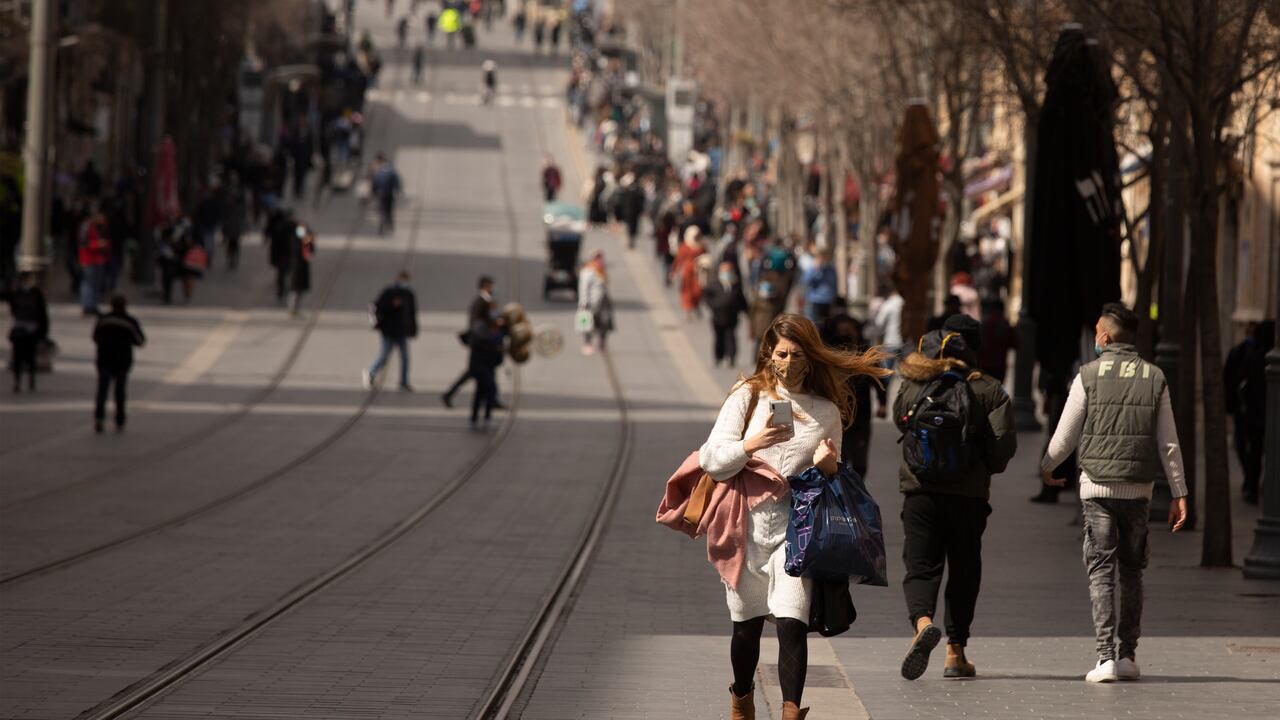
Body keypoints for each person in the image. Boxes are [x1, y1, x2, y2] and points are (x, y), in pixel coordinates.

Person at [700, 314, 889, 720]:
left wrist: (829, 466)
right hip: (745, 529)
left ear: (810, 357)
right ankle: (742, 699)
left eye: (797, 354)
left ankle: (790, 713)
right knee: (746, 627)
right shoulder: (747, 396)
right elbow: (712, 460)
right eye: (781, 353)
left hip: (797, 532)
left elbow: (833, 478)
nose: (788, 361)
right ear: (769, 353)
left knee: (791, 621)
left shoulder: (825, 412)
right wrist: (753, 443)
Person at [1038, 302, 1189, 683]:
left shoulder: (1087, 375)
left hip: (1098, 487)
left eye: (1096, 332)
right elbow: (1168, 442)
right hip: (1138, 489)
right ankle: (1128, 655)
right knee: (1133, 571)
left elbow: (1065, 435)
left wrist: (1047, 467)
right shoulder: (1155, 377)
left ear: (1104, 336)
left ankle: (1104, 658)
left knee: (1100, 571)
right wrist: (1179, 492)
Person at [893, 315, 1017, 680]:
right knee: (964, 569)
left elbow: (902, 422)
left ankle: (923, 623)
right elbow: (1003, 450)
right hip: (969, 496)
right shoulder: (991, 390)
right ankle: (955, 651)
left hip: (920, 492)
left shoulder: (915, 385)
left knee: (921, 565)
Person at [822, 313, 888, 478]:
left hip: (861, 415)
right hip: (836, 417)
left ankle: (857, 492)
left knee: (860, 463)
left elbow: (879, 379)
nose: (846, 337)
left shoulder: (865, 353)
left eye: (849, 332)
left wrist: (883, 403)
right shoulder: (830, 354)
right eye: (842, 333)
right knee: (839, 460)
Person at [1225, 321, 1272, 504]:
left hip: (1253, 416)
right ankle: (1253, 485)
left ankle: (1254, 485)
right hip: (1252, 416)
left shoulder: (1254, 357)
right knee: (1252, 450)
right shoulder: (1246, 355)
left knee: (1255, 451)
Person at [442, 275, 505, 410]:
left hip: (480, 342)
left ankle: (492, 399)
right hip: (480, 344)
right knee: (474, 372)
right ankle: (449, 394)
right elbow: (487, 322)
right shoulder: (484, 301)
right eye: (490, 286)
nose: (492, 289)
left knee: (485, 372)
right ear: (484, 287)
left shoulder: (482, 301)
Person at [92, 294, 146, 433]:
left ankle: (99, 418)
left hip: (104, 359)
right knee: (120, 391)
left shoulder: (104, 320)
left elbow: (95, 337)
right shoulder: (130, 321)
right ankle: (120, 419)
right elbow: (140, 341)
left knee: (102, 390)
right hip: (123, 361)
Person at [364, 270, 418, 391]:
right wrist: (392, 304)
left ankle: (403, 382)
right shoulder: (389, 292)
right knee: (384, 355)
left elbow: (412, 314)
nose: (405, 283)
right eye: (404, 280)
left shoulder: (409, 294)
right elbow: (377, 307)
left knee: (405, 357)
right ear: (398, 279)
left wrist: (413, 330)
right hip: (388, 331)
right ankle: (371, 373)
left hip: (402, 332)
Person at [4, 272, 49, 393]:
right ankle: (17, 382)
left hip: (32, 329)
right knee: (17, 357)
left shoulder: (36, 293)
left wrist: (43, 332)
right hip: (19, 328)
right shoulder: (16, 292)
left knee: (30, 356)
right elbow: (9, 301)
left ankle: (31, 379)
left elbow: (42, 313)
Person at [467, 292, 505, 430]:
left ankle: (478, 418)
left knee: (481, 391)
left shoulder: (495, 325)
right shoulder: (480, 325)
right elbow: (480, 343)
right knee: (490, 388)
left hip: (489, 364)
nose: (495, 311)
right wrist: (495, 346)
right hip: (480, 364)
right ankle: (480, 418)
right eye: (492, 308)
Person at [703, 260, 748, 367]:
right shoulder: (714, 284)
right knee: (719, 338)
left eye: (728, 271)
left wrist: (746, 311)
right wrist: (715, 305)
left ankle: (731, 357)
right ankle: (719, 357)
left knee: (731, 337)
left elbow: (741, 300)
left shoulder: (736, 284)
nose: (726, 273)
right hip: (718, 317)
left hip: (732, 317)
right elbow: (707, 298)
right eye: (724, 271)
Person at [77, 203, 111, 315]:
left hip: (99, 259)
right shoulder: (87, 226)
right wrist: (98, 244)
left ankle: (93, 305)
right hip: (89, 259)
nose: (103, 219)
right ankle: (87, 305)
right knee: (88, 283)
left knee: (96, 284)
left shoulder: (101, 227)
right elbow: (83, 243)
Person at [577, 250, 612, 354]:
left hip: (603, 301)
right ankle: (587, 343)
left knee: (604, 323)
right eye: (597, 258)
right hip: (590, 302)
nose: (600, 261)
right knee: (587, 323)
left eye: (601, 258)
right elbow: (583, 288)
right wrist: (584, 302)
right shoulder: (588, 271)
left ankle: (602, 343)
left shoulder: (602, 271)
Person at [977, 298, 1016, 385]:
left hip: (984, 364)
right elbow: (1015, 344)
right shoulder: (1004, 325)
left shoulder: (984, 324)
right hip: (1000, 365)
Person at [672, 226, 706, 321]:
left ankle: (696, 305)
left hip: (698, 271)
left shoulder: (702, 245)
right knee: (687, 291)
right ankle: (688, 310)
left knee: (698, 290)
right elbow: (678, 259)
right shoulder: (685, 246)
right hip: (687, 272)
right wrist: (674, 271)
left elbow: (706, 256)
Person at [266, 207, 297, 304]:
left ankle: (282, 288)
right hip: (287, 254)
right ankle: (283, 288)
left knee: (282, 272)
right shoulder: (294, 226)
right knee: (285, 271)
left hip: (281, 254)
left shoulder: (279, 226)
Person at [873, 283, 905, 366]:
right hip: (905, 343)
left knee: (887, 372)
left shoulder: (888, 304)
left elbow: (879, 323)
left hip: (891, 342)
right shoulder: (905, 303)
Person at [371, 154, 402, 235]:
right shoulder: (392, 172)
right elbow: (397, 183)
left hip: (381, 194)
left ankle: (381, 227)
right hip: (389, 194)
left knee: (382, 211)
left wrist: (373, 192)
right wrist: (398, 191)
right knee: (389, 210)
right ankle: (390, 226)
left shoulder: (379, 173)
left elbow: (375, 183)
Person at [222, 174, 248, 270]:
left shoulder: (240, 192)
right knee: (230, 243)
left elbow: (244, 208)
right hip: (230, 223)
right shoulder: (226, 191)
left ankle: (234, 259)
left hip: (235, 223)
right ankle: (231, 259)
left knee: (235, 243)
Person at [289, 222, 315, 317]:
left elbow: (312, 250)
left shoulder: (307, 239)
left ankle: (296, 309)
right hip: (296, 268)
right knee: (295, 290)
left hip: (303, 268)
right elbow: (295, 249)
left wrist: (309, 240)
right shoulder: (295, 239)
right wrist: (304, 241)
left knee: (300, 291)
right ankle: (292, 309)